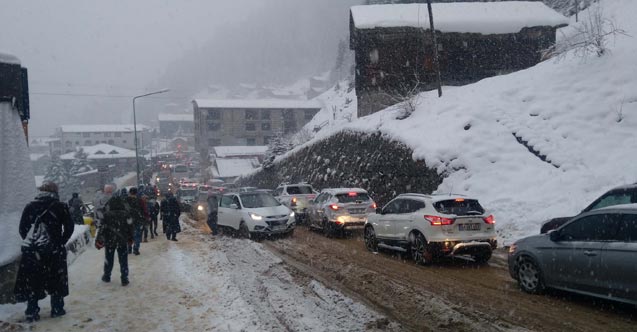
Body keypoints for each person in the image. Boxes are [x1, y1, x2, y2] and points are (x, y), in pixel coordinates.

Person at [14, 181, 74, 322]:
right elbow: (69, 228)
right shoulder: (60, 207)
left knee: (33, 280)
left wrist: (34, 242)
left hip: (33, 253)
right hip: (54, 251)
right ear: (55, 192)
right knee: (56, 280)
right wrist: (59, 242)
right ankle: (57, 309)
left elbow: (23, 228)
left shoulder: (30, 206)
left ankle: (32, 311)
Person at [95, 194, 134, 286]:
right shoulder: (126, 214)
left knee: (109, 259)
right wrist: (130, 238)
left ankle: (107, 275)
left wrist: (99, 239)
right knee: (123, 260)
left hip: (110, 241)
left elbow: (102, 228)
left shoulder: (106, 215)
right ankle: (124, 278)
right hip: (122, 240)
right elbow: (130, 227)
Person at [124, 187, 145, 255]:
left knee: (128, 234)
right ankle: (136, 248)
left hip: (128, 220)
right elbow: (144, 210)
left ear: (129, 192)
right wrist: (145, 218)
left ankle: (129, 248)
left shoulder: (125, 200)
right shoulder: (140, 200)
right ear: (136, 193)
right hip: (137, 220)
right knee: (137, 235)